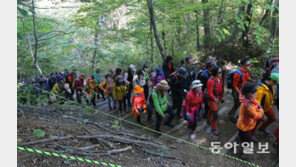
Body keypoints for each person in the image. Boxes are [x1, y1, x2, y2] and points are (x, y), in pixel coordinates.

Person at [236, 82, 264, 159]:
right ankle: (239, 153)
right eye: (254, 91)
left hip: (244, 124)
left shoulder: (247, 97)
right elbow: (257, 116)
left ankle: (237, 143)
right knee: (246, 141)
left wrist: (258, 106)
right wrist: (260, 109)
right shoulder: (248, 106)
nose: (256, 93)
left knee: (242, 136)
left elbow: (255, 102)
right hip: (244, 125)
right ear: (248, 93)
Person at [228, 57, 252, 123]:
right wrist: (239, 93)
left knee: (238, 103)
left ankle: (231, 112)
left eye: (250, 64)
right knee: (237, 104)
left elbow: (247, 77)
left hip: (242, 90)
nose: (249, 66)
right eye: (248, 65)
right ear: (242, 65)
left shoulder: (247, 71)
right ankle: (232, 116)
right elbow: (234, 85)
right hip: (236, 91)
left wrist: (250, 80)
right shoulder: (238, 74)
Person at [207, 65, 224, 135]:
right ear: (215, 73)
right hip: (212, 99)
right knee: (215, 114)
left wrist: (221, 96)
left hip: (218, 98)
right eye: (219, 72)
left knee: (212, 110)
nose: (221, 74)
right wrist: (214, 98)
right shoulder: (211, 81)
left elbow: (221, 87)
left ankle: (208, 118)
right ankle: (214, 128)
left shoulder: (220, 78)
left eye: (221, 72)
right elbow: (209, 92)